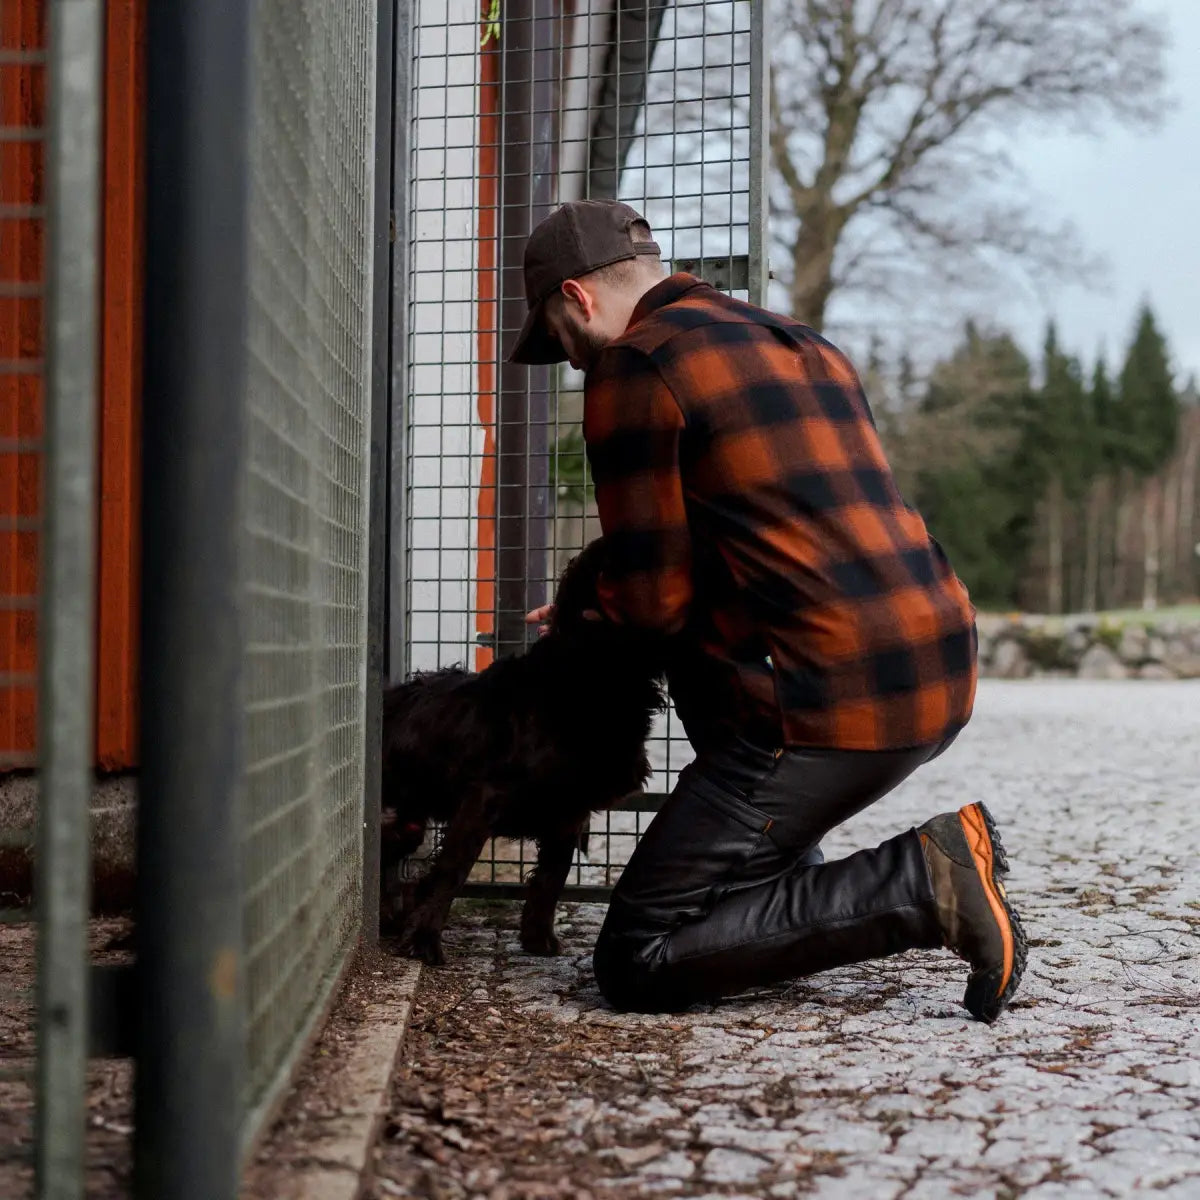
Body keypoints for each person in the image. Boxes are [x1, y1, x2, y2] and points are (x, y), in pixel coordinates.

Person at [512, 200, 1025, 1022]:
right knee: (730, 876)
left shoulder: (635, 366)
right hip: (934, 669)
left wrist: (588, 618)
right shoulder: (798, 342)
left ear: (575, 297)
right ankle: (782, 881)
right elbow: (755, 517)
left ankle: (925, 881)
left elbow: (655, 605)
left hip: (820, 704)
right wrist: (598, 591)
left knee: (638, 957)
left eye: (557, 337)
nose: (570, 364)